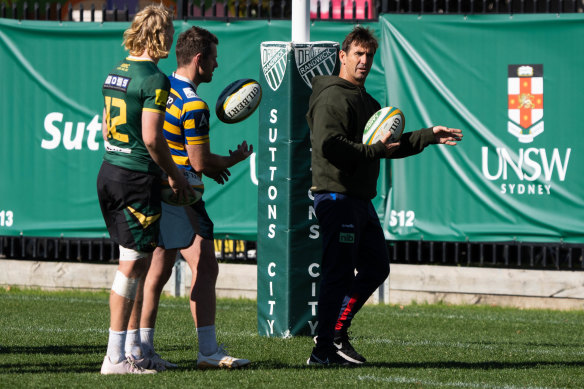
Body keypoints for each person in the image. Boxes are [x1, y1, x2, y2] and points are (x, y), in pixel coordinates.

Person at [306, 26, 463, 366]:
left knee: (376, 266)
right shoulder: (333, 96)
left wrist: (427, 136)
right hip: (336, 195)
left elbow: (384, 149)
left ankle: (335, 333)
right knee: (338, 273)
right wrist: (371, 149)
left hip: (359, 199)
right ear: (342, 56)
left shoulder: (369, 102)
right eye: (358, 54)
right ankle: (322, 351)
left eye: (370, 56)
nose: (364, 61)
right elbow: (329, 145)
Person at [137, 26, 253, 370]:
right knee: (205, 263)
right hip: (180, 195)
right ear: (199, 59)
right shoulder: (194, 103)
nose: (217, 66)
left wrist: (206, 165)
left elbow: (173, 146)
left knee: (156, 269)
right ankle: (207, 350)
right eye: (214, 58)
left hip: (153, 189)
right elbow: (199, 161)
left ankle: (143, 349)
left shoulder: (160, 86)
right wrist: (232, 160)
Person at [97, 5, 194, 375]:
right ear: (158, 34)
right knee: (130, 268)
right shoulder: (154, 79)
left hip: (110, 171)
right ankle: (115, 358)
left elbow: (107, 131)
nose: (172, 38)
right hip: (135, 178)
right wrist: (174, 175)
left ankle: (133, 351)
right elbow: (153, 139)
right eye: (168, 31)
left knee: (134, 264)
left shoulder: (114, 73)